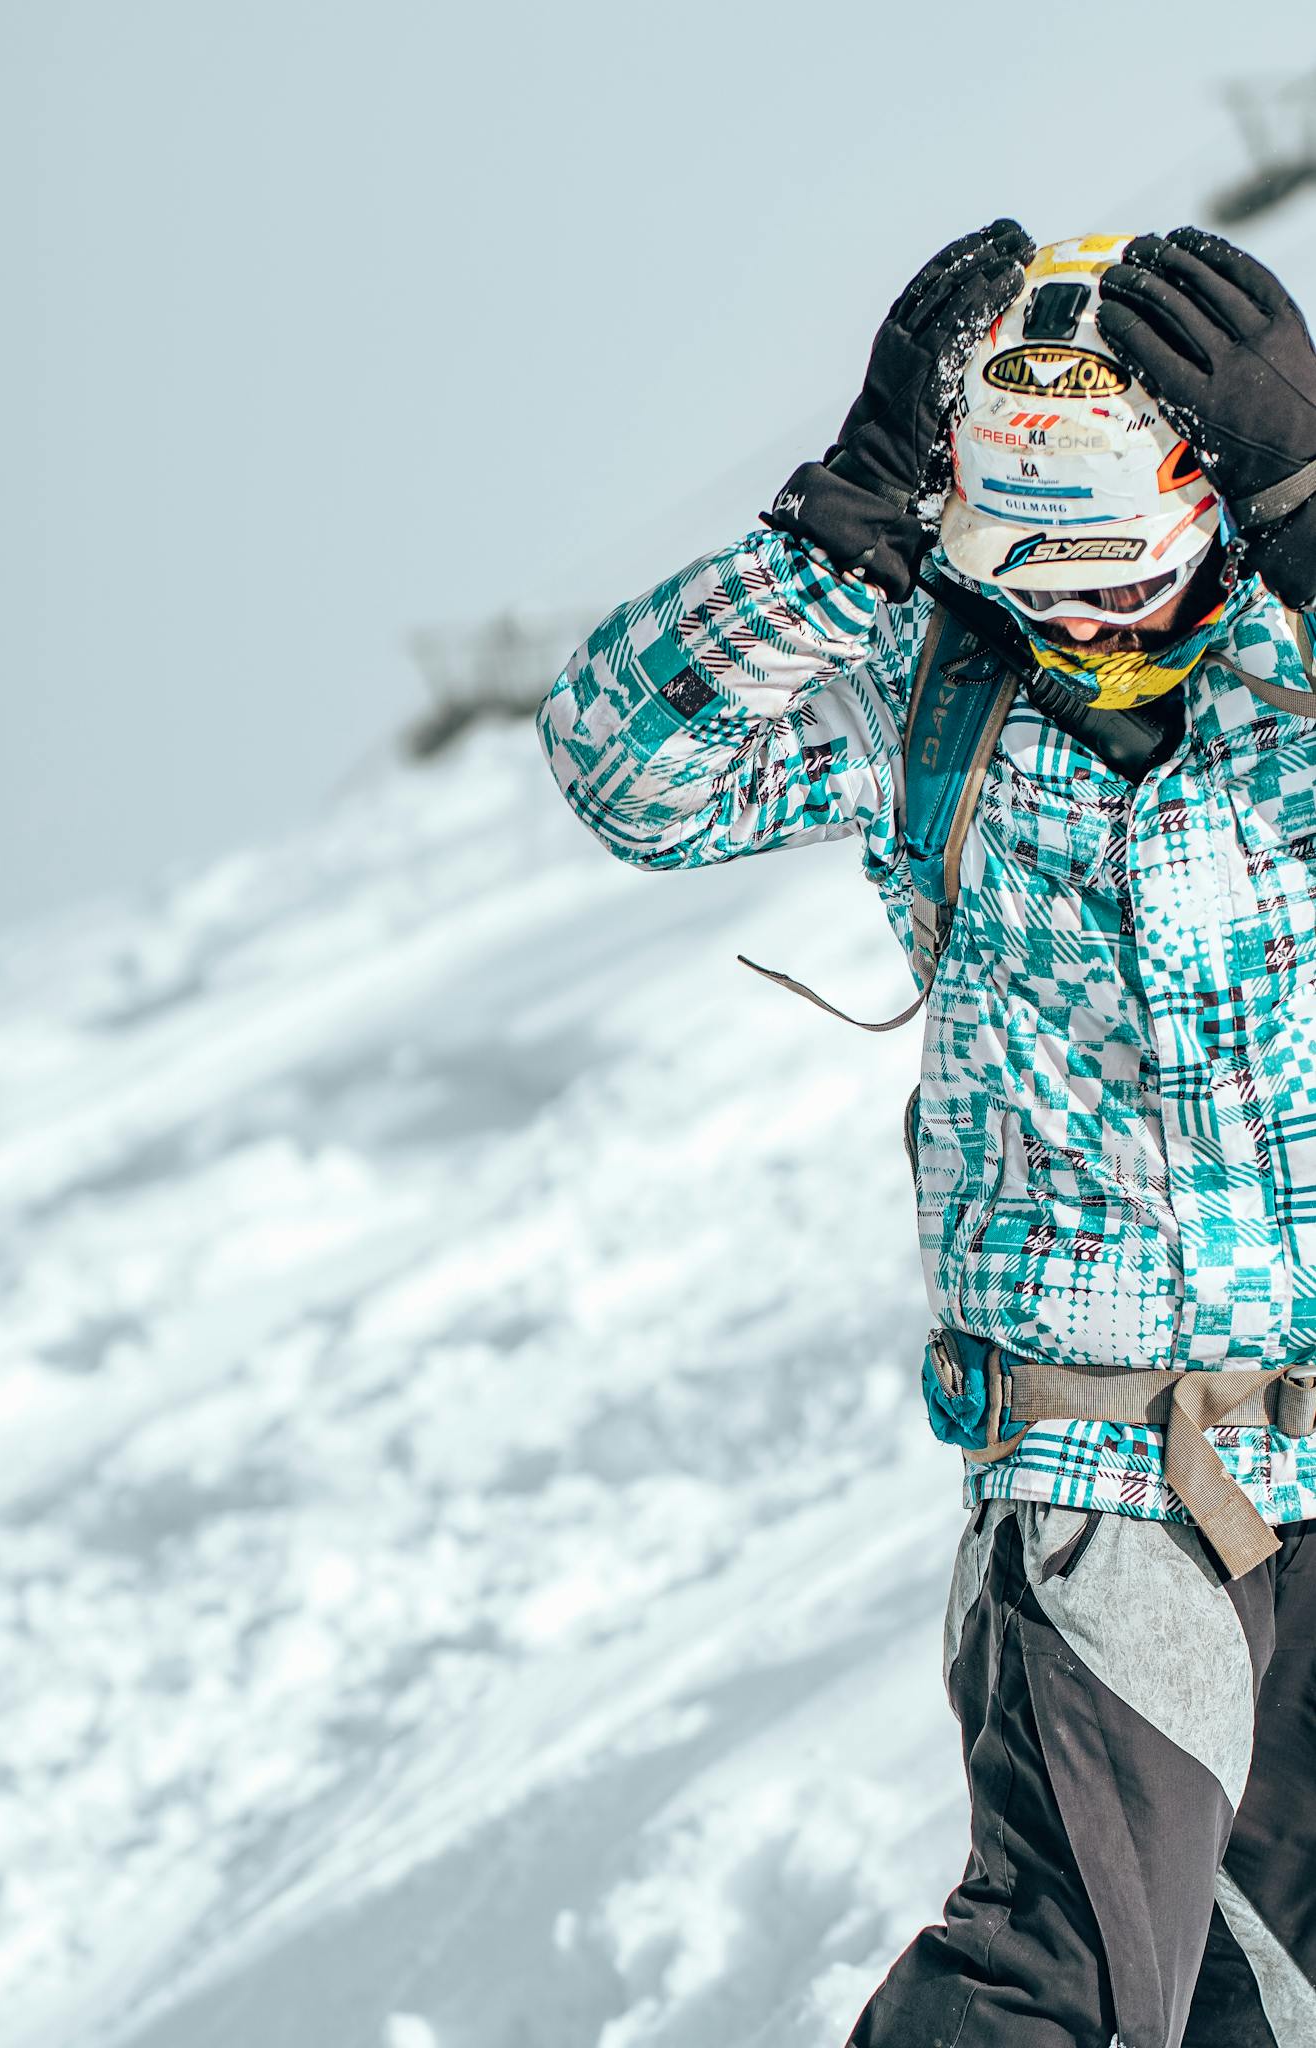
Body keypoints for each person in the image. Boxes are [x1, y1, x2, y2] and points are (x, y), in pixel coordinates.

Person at [535, 224, 1316, 2046]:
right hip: (1102, 1478)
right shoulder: (924, 686)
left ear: (1212, 501)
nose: (1097, 620)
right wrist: (833, 534)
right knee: (1051, 1983)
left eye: (1131, 572)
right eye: (1044, 578)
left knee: (1264, 2000)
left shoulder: (1288, 654)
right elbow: (619, 767)